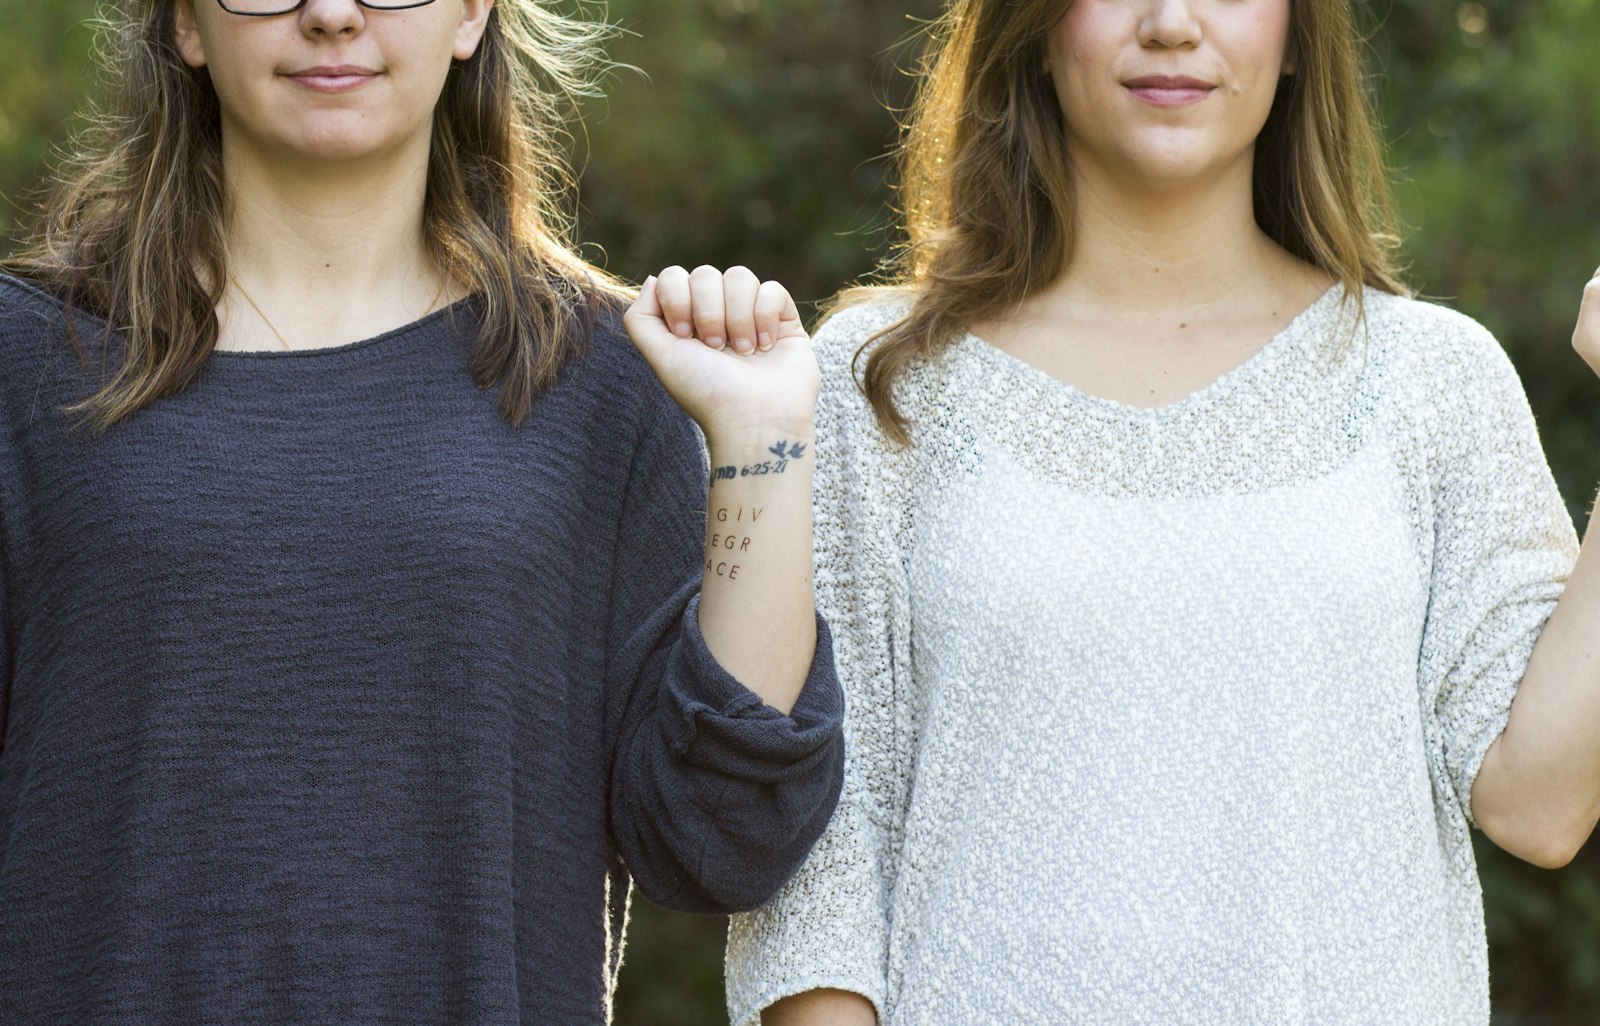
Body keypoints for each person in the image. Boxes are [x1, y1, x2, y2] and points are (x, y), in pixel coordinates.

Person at [714, 1, 1600, 1024]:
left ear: (1296, 36)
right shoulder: (879, 387)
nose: (1172, 23)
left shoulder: (1431, 383)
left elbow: (1540, 804)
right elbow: (817, 867)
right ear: (1033, 30)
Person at [0, 2, 841, 1023]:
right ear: (184, 22)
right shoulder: (25, 365)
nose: (331, 14)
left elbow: (722, 841)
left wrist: (760, 446)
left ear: (471, 15)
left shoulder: (611, 380)